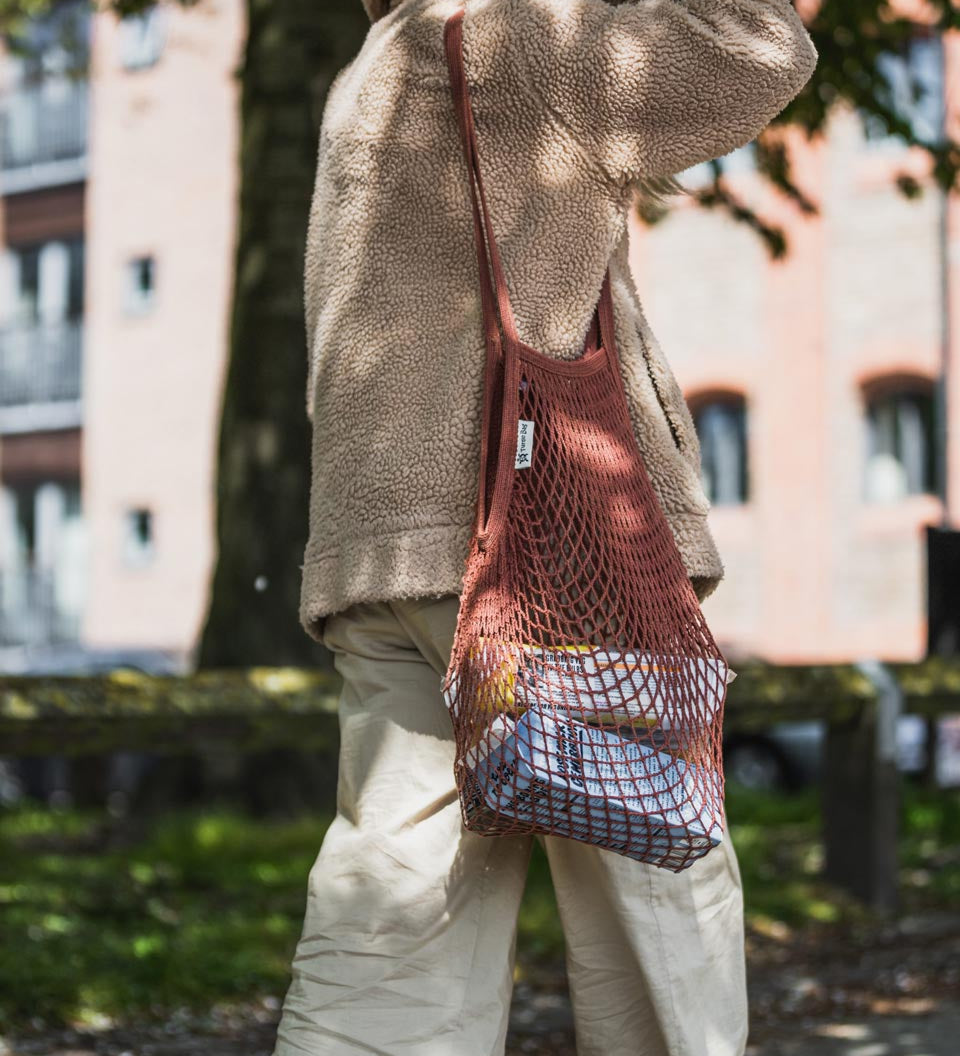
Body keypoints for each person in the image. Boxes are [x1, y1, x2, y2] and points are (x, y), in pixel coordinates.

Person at [273, 1, 818, 1054]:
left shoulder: (379, 61)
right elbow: (760, 48)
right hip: (550, 549)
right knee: (653, 891)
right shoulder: (531, 40)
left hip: (384, 557)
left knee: (397, 903)